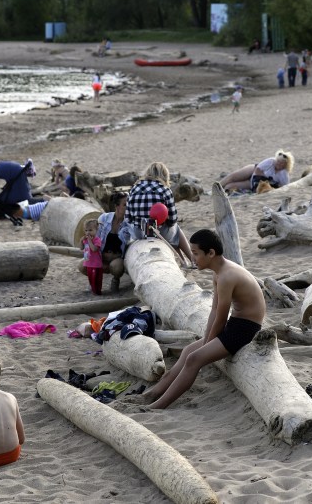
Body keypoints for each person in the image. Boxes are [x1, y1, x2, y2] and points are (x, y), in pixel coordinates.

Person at [142, 229, 266, 409]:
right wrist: (207, 339)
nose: (192, 258)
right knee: (187, 352)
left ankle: (159, 405)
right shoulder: (219, 272)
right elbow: (214, 310)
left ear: (211, 253)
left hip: (246, 329)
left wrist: (207, 343)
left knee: (194, 359)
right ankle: (152, 394)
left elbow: (222, 317)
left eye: (195, 253)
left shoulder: (226, 276)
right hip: (236, 323)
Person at [122, 162, 194, 264]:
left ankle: (184, 262)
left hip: (140, 233)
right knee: (176, 229)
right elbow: (173, 219)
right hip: (159, 233)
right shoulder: (164, 189)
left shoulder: (134, 188)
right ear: (164, 175)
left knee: (172, 232)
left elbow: (128, 218)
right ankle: (191, 259)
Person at [0, 159, 48, 232]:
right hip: (13, 196)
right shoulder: (20, 182)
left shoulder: (16, 189)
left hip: (7, 200)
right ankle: (45, 200)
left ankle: (45, 200)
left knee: (29, 202)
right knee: (29, 201)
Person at [79, 192, 128, 293]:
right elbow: (94, 237)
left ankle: (116, 279)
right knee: (82, 266)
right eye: (125, 205)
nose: (128, 207)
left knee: (117, 267)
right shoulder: (104, 218)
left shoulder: (129, 223)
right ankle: (94, 279)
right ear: (117, 206)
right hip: (100, 256)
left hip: (116, 258)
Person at [219, 150, 294, 193]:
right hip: (253, 171)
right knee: (232, 177)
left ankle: (220, 192)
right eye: (278, 161)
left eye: (282, 163)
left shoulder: (284, 174)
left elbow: (285, 187)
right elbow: (258, 170)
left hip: (254, 184)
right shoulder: (271, 161)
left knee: (229, 187)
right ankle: (216, 188)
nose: (279, 164)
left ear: (286, 165)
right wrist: (268, 181)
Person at [81, 218, 103, 295]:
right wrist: (81, 241)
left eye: (90, 230)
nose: (88, 232)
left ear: (96, 230)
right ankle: (93, 290)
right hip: (89, 263)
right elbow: (81, 248)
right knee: (91, 278)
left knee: (97, 279)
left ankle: (97, 292)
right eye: (86, 230)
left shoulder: (97, 240)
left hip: (96, 264)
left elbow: (94, 249)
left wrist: (89, 241)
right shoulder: (85, 240)